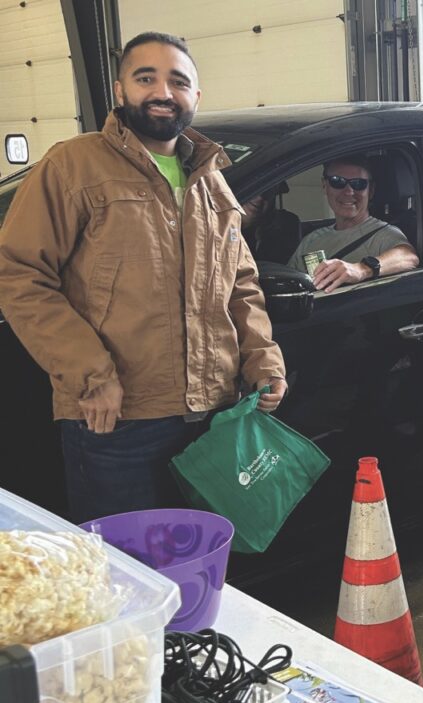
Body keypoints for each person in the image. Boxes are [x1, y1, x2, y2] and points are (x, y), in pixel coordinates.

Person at [0, 31, 287, 522]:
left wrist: (263, 358)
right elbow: (19, 272)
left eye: (178, 81)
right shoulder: (74, 165)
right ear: (120, 90)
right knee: (127, 571)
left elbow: (239, 282)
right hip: (117, 420)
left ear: (195, 96)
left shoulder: (210, 179)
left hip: (214, 414)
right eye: (145, 77)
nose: (162, 92)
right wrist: (91, 374)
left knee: (203, 561)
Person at [286, 157, 418, 291]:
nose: (349, 192)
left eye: (358, 184)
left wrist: (361, 269)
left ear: (370, 191)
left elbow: (409, 257)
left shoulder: (384, 234)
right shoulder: (311, 240)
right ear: (325, 186)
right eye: (337, 182)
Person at [240, 183, 301, 264]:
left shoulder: (285, 225)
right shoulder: (222, 227)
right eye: (253, 189)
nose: (259, 198)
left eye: (267, 192)